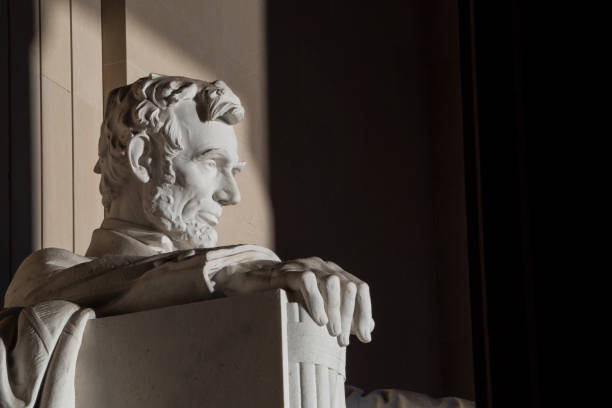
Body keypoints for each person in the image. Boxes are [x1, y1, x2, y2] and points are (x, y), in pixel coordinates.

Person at [1, 74, 472, 408]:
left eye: (235, 172)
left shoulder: (237, 293)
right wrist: (235, 268)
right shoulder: (50, 275)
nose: (232, 196)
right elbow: (89, 286)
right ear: (143, 158)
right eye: (212, 164)